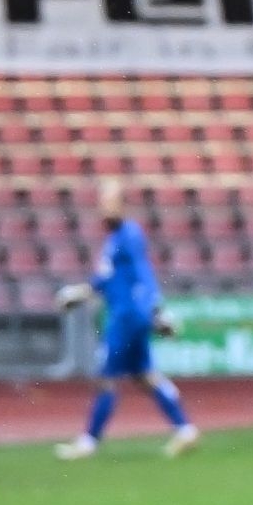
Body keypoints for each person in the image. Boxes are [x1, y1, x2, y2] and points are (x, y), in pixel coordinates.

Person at [53, 180, 199, 459]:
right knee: (144, 376)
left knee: (105, 378)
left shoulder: (129, 235)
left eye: (109, 202)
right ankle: (185, 430)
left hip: (127, 316)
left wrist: (157, 309)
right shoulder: (115, 240)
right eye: (102, 202)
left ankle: (88, 442)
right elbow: (105, 281)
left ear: (122, 206)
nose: (104, 208)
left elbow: (144, 274)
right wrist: (79, 293)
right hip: (131, 314)